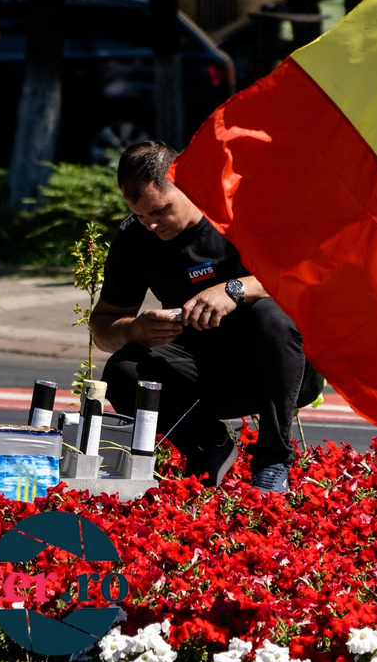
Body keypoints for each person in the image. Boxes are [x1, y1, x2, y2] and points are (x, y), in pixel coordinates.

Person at [91, 140, 320, 493]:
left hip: (280, 368)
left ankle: (272, 462)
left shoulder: (240, 206)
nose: (150, 224)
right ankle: (209, 448)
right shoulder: (135, 238)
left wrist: (234, 290)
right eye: (139, 214)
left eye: (160, 211)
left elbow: (305, 276)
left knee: (271, 316)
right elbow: (102, 328)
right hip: (204, 372)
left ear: (187, 185)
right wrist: (134, 329)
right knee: (122, 370)